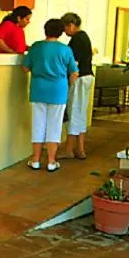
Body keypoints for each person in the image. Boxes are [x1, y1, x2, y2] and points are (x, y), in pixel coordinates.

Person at [23, 18, 78, 172]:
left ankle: (35, 160)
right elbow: (74, 72)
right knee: (55, 125)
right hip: (58, 91)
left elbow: (25, 68)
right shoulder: (65, 50)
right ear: (61, 33)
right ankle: (51, 162)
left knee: (38, 124)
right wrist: (68, 85)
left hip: (38, 90)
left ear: (45, 30)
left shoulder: (36, 47)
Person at [61, 12, 94, 160]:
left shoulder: (77, 39)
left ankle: (69, 149)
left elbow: (74, 64)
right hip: (87, 77)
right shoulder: (84, 37)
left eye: (65, 28)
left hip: (79, 78)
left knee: (73, 112)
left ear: (71, 25)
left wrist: (69, 81)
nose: (64, 32)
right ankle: (80, 149)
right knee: (80, 113)